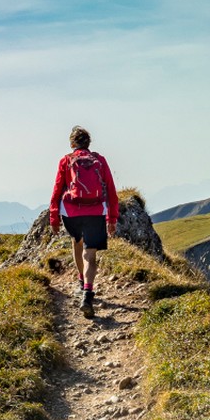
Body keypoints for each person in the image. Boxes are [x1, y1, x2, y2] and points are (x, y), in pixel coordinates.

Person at [50, 126, 119, 318]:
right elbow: (111, 190)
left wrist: (54, 217)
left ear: (72, 143)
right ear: (88, 143)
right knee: (91, 255)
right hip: (96, 211)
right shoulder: (100, 160)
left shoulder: (66, 160)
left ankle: (81, 282)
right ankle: (88, 293)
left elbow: (57, 189)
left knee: (77, 243)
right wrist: (112, 218)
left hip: (71, 212)